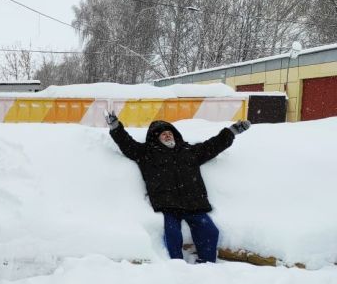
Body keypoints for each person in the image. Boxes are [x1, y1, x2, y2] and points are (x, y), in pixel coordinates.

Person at [104, 111, 250, 263]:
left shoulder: (190, 151)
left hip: (194, 204)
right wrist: (115, 126)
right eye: (163, 134)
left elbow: (214, 145)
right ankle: (176, 265)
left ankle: (207, 265)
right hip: (168, 205)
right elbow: (127, 143)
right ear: (155, 138)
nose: (167, 135)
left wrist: (232, 131)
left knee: (210, 231)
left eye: (169, 133)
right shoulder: (146, 154)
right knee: (173, 235)